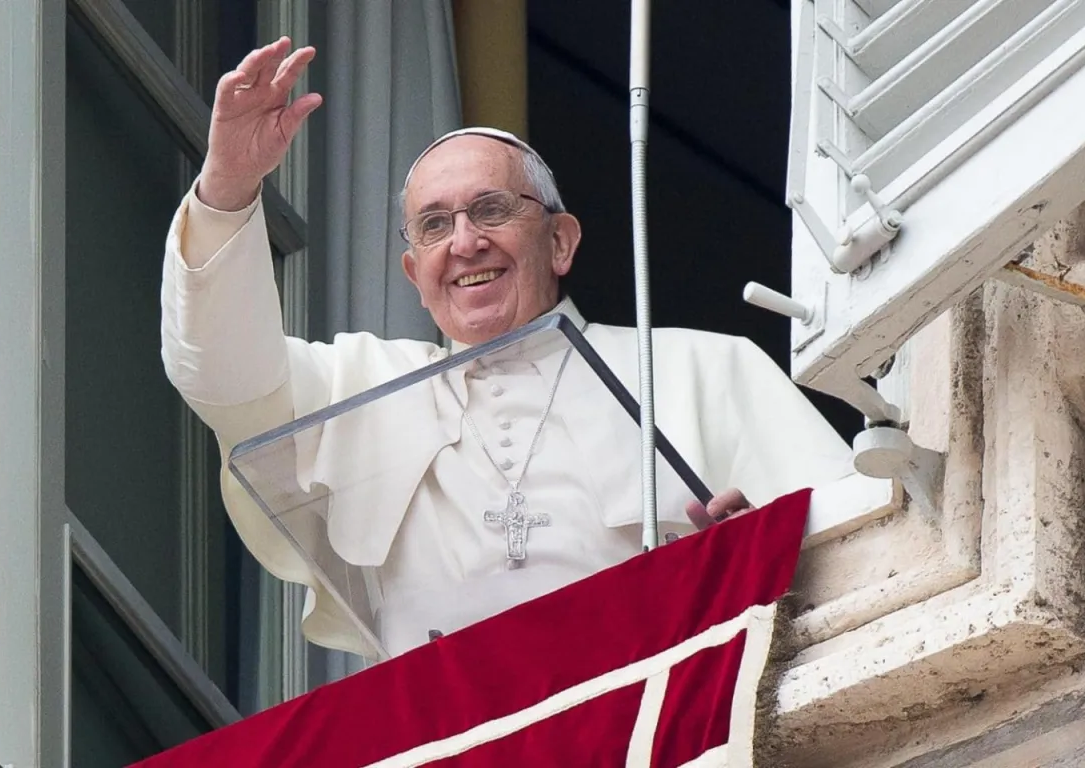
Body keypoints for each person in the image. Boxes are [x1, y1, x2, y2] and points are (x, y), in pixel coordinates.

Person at [160, 37, 854, 659]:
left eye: (491, 210)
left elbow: (858, 551)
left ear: (561, 241)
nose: (465, 242)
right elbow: (223, 375)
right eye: (434, 225)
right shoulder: (359, 385)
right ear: (414, 273)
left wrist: (763, 553)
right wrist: (227, 187)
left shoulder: (702, 369)